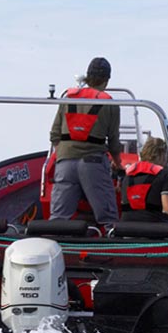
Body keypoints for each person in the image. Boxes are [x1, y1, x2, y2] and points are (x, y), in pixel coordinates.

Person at [49, 57, 123, 227]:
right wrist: (118, 165)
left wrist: (64, 153)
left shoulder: (68, 98)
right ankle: (112, 249)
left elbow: (55, 134)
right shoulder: (110, 103)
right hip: (93, 163)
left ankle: (57, 247)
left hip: (65, 163)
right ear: (106, 80)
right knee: (108, 218)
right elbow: (113, 142)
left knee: (58, 218)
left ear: (88, 77)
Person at [120, 136, 168, 222]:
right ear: (162, 154)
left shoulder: (128, 175)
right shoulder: (163, 174)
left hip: (126, 226)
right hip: (153, 226)